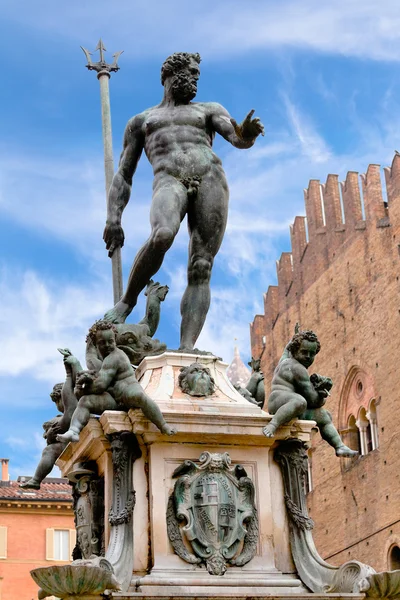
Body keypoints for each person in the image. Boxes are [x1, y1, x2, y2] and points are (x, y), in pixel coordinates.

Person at [103, 52, 264, 351]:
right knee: (163, 233)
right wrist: (114, 218)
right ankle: (127, 301)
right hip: (169, 180)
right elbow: (124, 174)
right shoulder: (142, 121)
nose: (195, 81)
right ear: (171, 75)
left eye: (197, 76)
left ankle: (187, 348)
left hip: (210, 179)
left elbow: (237, 137)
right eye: (190, 74)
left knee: (201, 265)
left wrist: (248, 134)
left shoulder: (208, 110)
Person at [57, 321, 176, 443]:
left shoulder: (115, 356)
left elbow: (100, 385)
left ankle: (163, 425)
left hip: (127, 391)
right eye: (102, 343)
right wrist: (75, 364)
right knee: (85, 401)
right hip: (114, 399)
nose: (108, 345)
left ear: (115, 339)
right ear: (95, 344)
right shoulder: (104, 360)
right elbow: (92, 375)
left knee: (139, 396)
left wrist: (83, 389)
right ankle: (74, 431)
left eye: (111, 341)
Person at [263, 327, 358, 458]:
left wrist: (294, 337)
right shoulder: (298, 369)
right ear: (295, 351)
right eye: (304, 352)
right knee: (300, 401)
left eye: (312, 353)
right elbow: (312, 400)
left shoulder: (285, 360)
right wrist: (322, 394)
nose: (308, 357)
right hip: (279, 402)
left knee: (324, 416)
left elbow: (287, 349)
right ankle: (273, 424)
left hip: (288, 405)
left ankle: (339, 446)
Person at [20, 349, 82, 489]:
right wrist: (49, 437)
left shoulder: (73, 408)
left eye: (58, 400)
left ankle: (36, 480)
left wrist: (68, 375)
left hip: (80, 431)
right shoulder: (55, 420)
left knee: (49, 450)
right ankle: (36, 480)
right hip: (72, 439)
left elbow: (70, 412)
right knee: (50, 450)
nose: (58, 404)